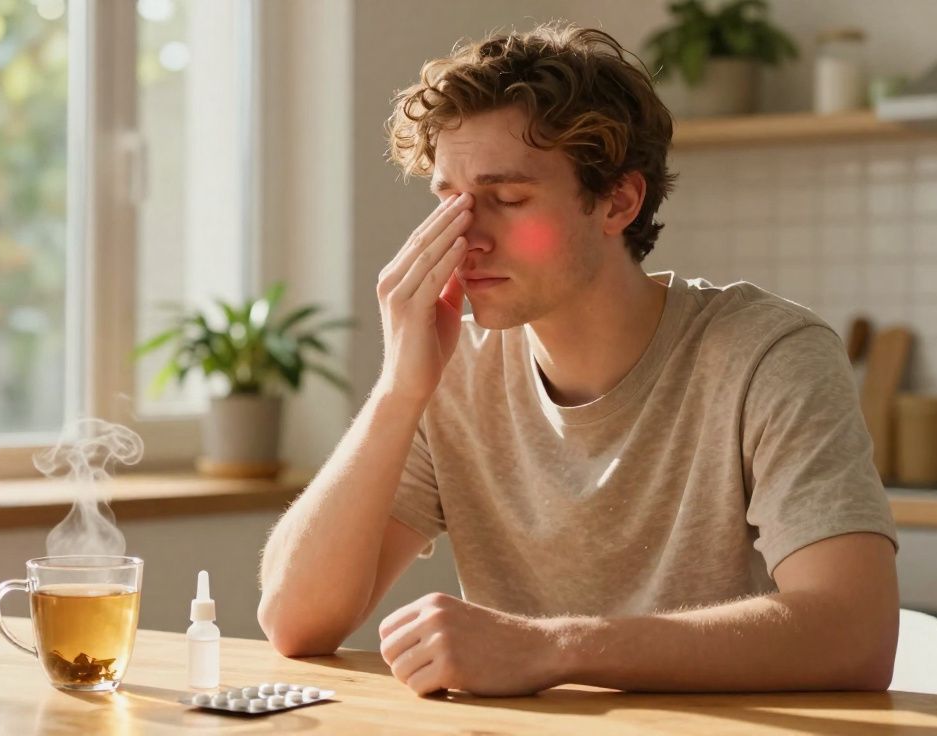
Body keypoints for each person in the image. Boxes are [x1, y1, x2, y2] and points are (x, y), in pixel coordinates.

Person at [257, 22, 899, 698]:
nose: (464, 238)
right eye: (448, 200)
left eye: (506, 199)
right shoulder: (452, 373)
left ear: (618, 201)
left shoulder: (768, 355)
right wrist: (397, 391)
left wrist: (556, 647)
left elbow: (853, 634)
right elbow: (295, 623)